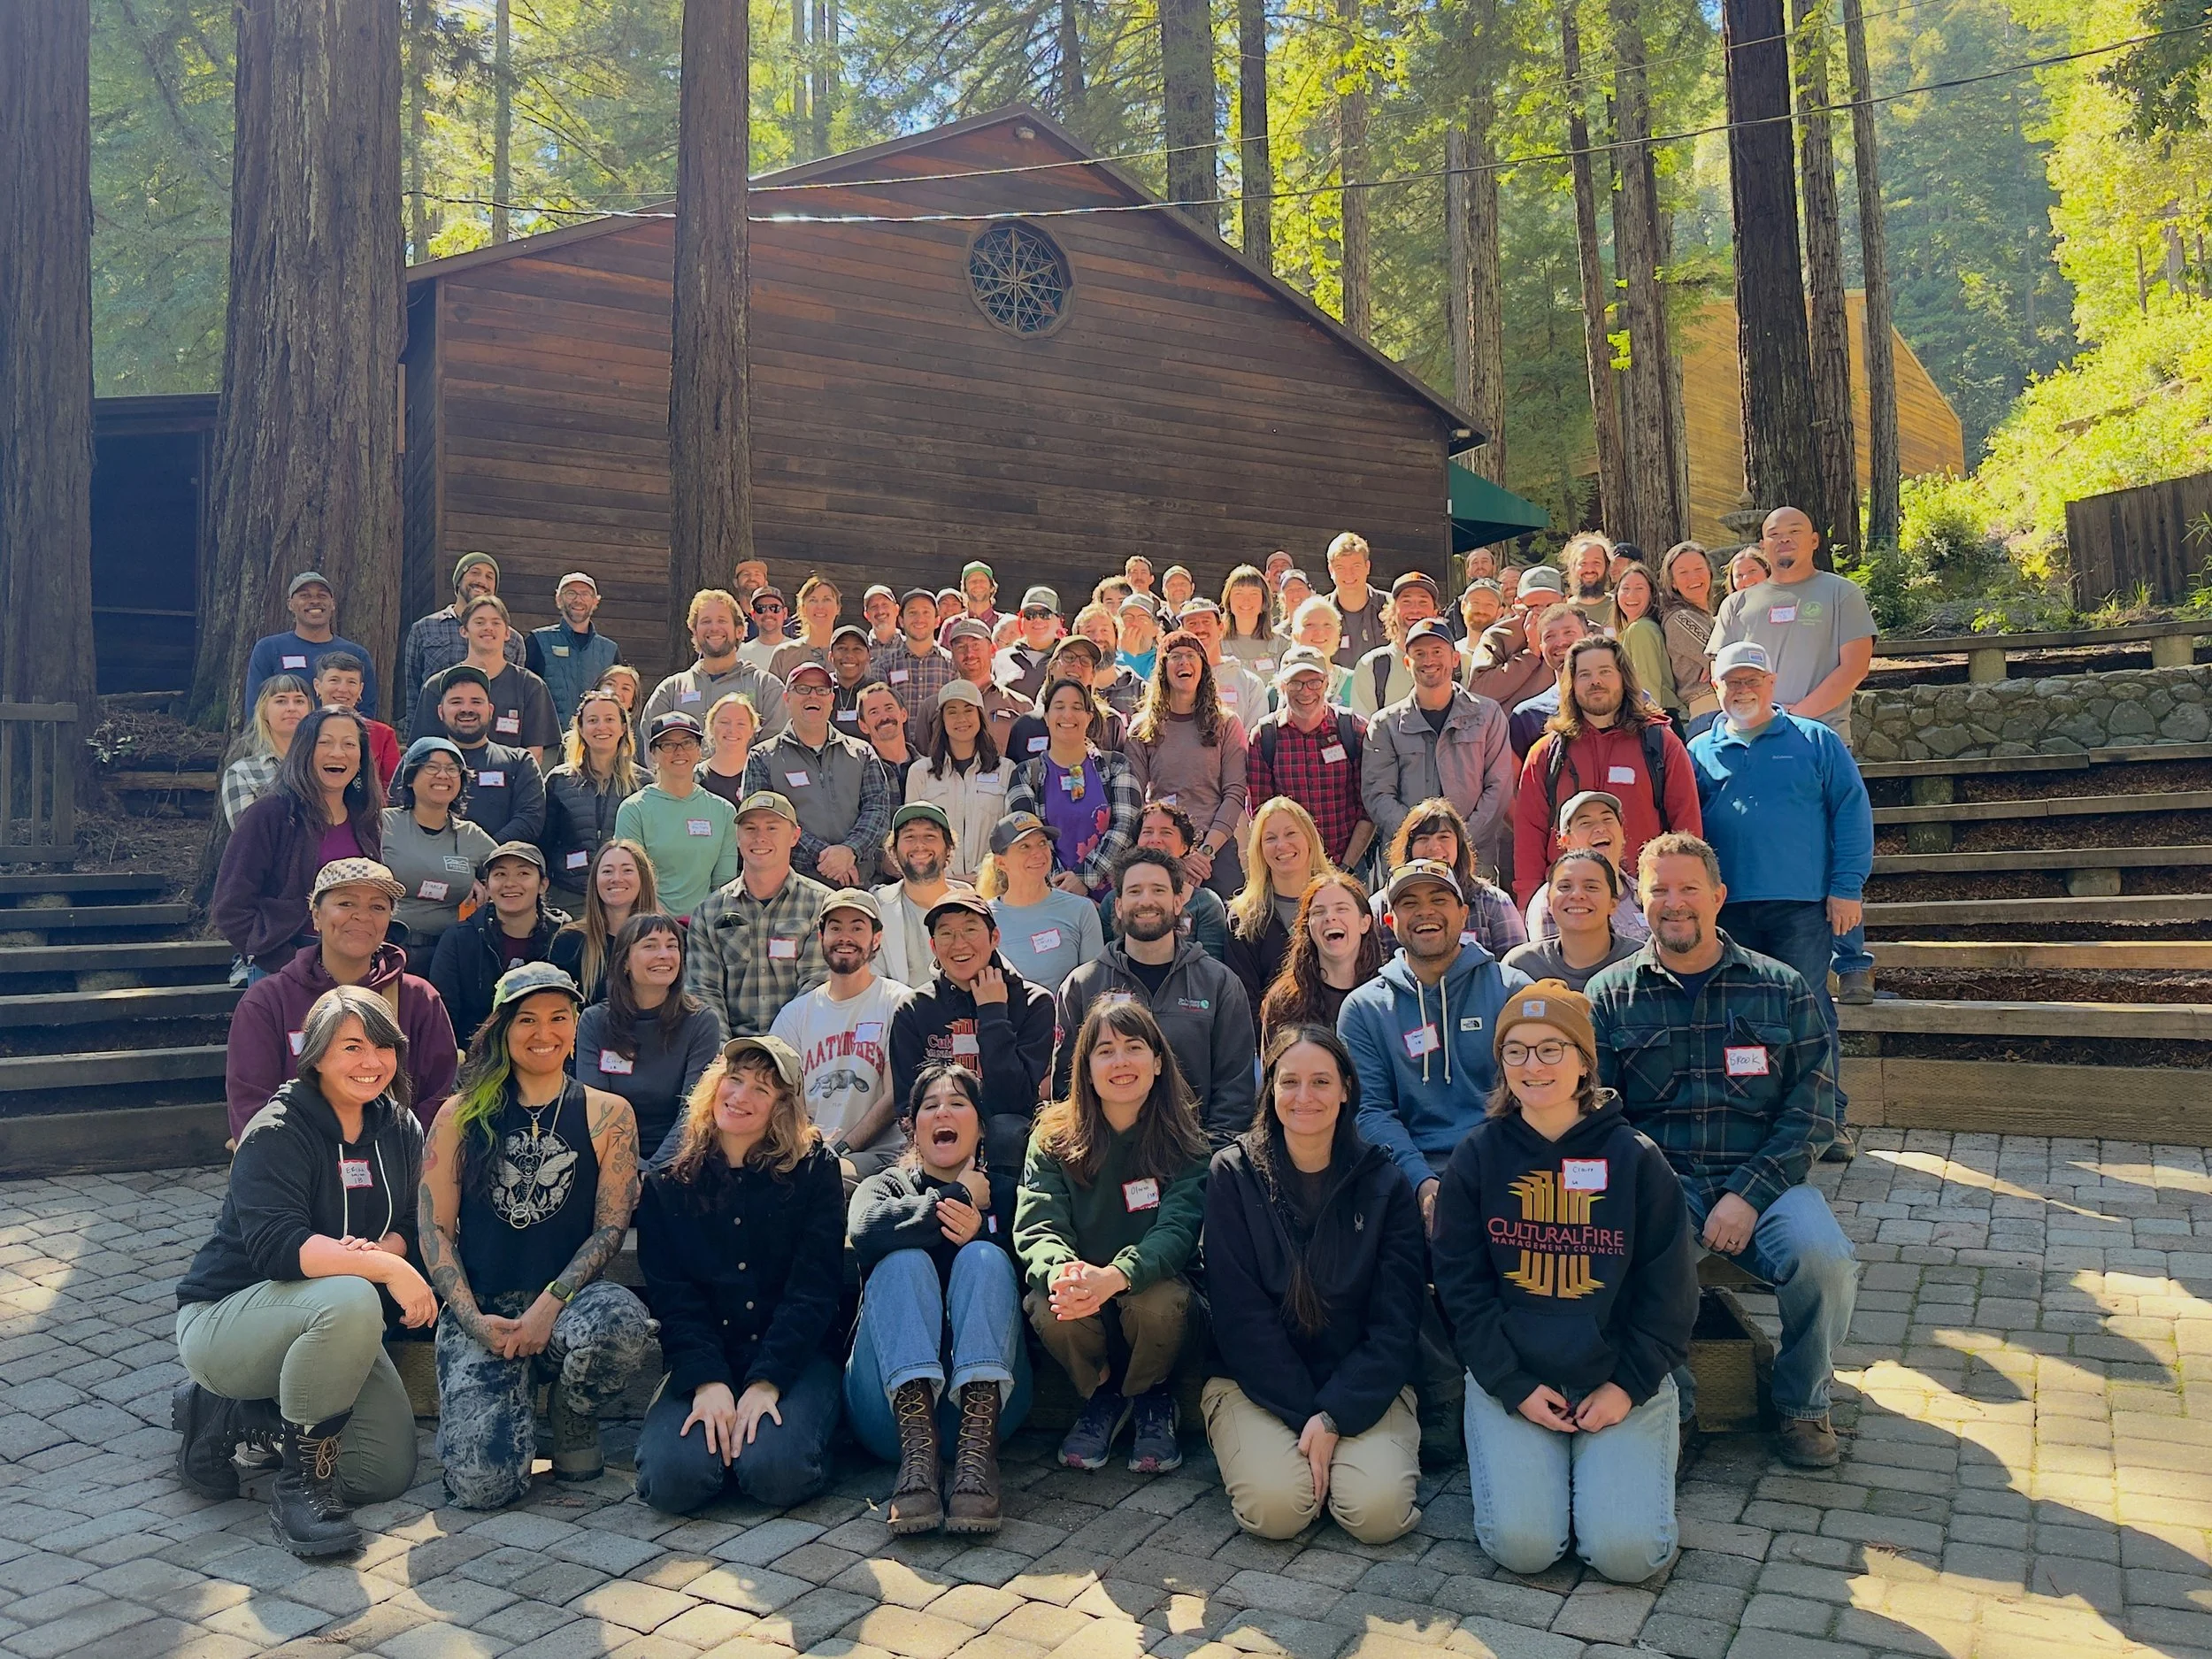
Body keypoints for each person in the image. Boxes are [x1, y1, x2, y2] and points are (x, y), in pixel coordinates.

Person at [1586, 833, 1861, 1468]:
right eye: (1659, 889)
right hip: (1661, 1182)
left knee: (1825, 1261)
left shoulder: (1782, 987)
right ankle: (1672, 1409)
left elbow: (1814, 1108)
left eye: (1689, 889)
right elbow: (1601, 1114)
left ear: (1719, 897)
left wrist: (1748, 1193)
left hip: (1767, 1179)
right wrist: (1652, 1185)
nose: (1674, 903)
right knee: (1628, 1258)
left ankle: (1801, 1404)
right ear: (1640, 899)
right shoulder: (1608, 995)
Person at [1431, 979, 1698, 1582]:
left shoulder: (1636, 1159)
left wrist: (1627, 1386)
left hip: (1617, 1378)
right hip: (1516, 1379)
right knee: (1524, 1547)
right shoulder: (1476, 1158)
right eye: (1516, 1050)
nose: (1534, 1065)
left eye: (1552, 1048)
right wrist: (1513, 1382)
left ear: (1584, 1061)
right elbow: (1461, 1290)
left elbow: (1671, 1293)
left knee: (1628, 1556)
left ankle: (1610, 1476)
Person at [173, 987, 434, 1555]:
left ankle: (244, 1419)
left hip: (332, 1323)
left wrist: (386, 1254)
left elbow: (411, 1224)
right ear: (316, 1054)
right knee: (351, 1295)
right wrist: (387, 1267)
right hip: (227, 1320)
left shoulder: (401, 1128)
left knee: (380, 1475)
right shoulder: (275, 1132)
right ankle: (300, 1490)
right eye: (352, 1047)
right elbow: (278, 1248)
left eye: (384, 1046)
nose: (372, 1062)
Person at [419, 963, 651, 1507]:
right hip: (485, 1310)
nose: (542, 1033)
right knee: (484, 1490)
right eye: (526, 1019)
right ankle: (495, 1410)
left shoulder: (608, 1114)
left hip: (567, 1307)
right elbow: (434, 1228)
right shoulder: (458, 1116)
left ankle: (570, 1416)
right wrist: (474, 1321)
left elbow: (611, 1227)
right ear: (502, 1029)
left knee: (622, 1322)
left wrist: (552, 1304)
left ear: (575, 1028)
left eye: (558, 1018)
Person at [1202, 1025, 1425, 1544]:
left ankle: (1338, 1458)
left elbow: (1396, 1322)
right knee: (1278, 1511)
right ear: (1271, 1089)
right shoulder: (1232, 1176)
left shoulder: (1384, 1183)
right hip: (1254, 1383)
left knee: (1376, 1515)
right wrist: (1311, 1416)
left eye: (1321, 1082)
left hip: (1362, 1376)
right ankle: (1304, 1460)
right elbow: (1240, 1321)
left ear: (1347, 1089)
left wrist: (1335, 1416)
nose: (1305, 1097)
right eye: (1290, 1081)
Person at [631, 1033, 847, 1512]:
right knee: (672, 1482)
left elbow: (813, 1291)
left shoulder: (815, 1172)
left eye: (762, 1089)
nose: (741, 1096)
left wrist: (766, 1381)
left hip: (796, 1356)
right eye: (735, 1080)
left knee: (775, 1472)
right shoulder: (668, 1185)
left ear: (783, 1107)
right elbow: (674, 1299)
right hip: (709, 1354)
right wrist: (709, 1384)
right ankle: (727, 1446)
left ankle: (798, 1436)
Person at [1017, 999, 1210, 1473]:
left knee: (1156, 1300)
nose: (1120, 1062)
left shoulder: (1187, 1143)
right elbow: (1039, 1224)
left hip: (1157, 1299)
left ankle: (1150, 1396)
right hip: (1087, 1301)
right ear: (1085, 1067)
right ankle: (1102, 1394)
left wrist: (1120, 1274)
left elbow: (1178, 1231)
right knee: (1050, 1302)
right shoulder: (1051, 1138)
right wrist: (1065, 1271)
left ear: (1158, 1061)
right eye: (1105, 1050)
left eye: (1134, 1047)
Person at [848, 1064, 1031, 1534]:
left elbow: (1032, 1280)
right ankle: (918, 1464)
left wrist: (978, 1239)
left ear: (982, 1126)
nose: (942, 1112)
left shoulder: (1008, 1196)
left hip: (988, 1419)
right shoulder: (886, 1187)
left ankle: (975, 1466)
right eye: (930, 1106)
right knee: (903, 1260)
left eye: (957, 1103)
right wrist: (954, 1198)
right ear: (911, 1125)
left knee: (986, 1260)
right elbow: (865, 1231)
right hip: (889, 1417)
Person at [1689, 641, 1874, 1105]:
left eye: (1753, 680)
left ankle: (1826, 1117)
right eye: (1733, 681)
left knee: (1806, 1011)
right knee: (1737, 1015)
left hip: (1802, 905)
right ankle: (1752, 1115)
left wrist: (1847, 888)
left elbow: (1851, 814)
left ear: (1772, 683)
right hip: (1725, 909)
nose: (1743, 689)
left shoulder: (1816, 740)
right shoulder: (1698, 750)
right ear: (1716, 686)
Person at [1708, 505, 1880, 1003]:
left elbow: (1854, 666)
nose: (1783, 541)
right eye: (1773, 535)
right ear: (1762, 544)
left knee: (1832, 847)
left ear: (1814, 541)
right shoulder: (1740, 604)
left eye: (1793, 533)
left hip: (1820, 735)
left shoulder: (1839, 593)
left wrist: (1795, 718)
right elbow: (1720, 668)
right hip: (1750, 738)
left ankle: (1852, 961)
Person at [1339, 860, 1531, 1225]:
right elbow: (1371, 1111)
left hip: (1508, 1174)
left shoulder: (1512, 991)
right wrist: (1421, 1183)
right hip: (1406, 1178)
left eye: (1439, 899)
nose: (1425, 911)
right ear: (1391, 921)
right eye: (1409, 903)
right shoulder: (1364, 1009)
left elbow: (1533, 1099)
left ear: (1463, 914)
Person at [226, 860, 458, 1140]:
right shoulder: (268, 1002)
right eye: (346, 904)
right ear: (316, 916)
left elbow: (438, 1095)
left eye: (377, 907)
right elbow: (251, 1103)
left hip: (397, 1168)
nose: (362, 916)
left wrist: (405, 1157)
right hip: (301, 1169)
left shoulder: (419, 999)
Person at [1052, 847, 1256, 1146]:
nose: (1146, 900)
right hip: (1105, 1159)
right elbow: (1067, 1092)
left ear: (1177, 902)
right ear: (1118, 906)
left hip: (1196, 1159)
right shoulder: (1082, 985)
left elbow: (1235, 1093)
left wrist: (1207, 1166)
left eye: (1158, 890)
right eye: (1135, 891)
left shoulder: (1219, 984)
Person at [1511, 636, 1700, 906]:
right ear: (1571, 685)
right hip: (1569, 901)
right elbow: (1530, 835)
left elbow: (1687, 827)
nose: (1595, 681)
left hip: (1644, 898)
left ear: (1623, 678)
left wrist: (1685, 892)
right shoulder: (1546, 754)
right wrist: (1527, 903)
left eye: (1605, 672)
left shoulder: (1660, 744)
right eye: (1584, 674)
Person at [888, 892, 1056, 1172]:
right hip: (938, 1143)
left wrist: (992, 1012)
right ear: (933, 945)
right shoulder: (913, 1009)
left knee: (1006, 1129)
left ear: (994, 938)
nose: (959, 943)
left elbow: (1015, 1101)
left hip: (1008, 1145)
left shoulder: (1034, 1003)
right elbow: (907, 1106)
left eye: (970, 929)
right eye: (946, 933)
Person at [213, 707, 384, 981]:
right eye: (325, 742)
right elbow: (230, 907)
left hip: (354, 964)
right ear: (304, 750)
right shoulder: (270, 814)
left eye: (349, 744)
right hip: (285, 967)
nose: (337, 753)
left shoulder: (364, 818)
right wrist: (281, 960)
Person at [770, 887, 915, 1183]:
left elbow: (895, 1096)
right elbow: (783, 1099)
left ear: (876, 939)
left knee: (826, 1178)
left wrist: (841, 1149)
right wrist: (806, 1150)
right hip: (808, 1153)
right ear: (821, 937)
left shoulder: (899, 1002)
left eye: (857, 928)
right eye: (835, 928)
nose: (845, 937)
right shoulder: (795, 1015)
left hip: (882, 1155)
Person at [1360, 618, 1515, 872]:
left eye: (1437, 652)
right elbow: (1378, 795)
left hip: (1474, 859)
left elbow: (1498, 788)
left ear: (1455, 659)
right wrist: (1419, 841)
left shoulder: (1487, 715)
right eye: (1419, 654)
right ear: (1407, 663)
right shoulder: (1385, 724)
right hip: (1409, 863)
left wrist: (1458, 842)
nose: (1429, 660)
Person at [576, 914, 724, 1161]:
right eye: (650, 945)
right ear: (624, 961)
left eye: (672, 946)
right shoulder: (594, 1022)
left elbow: (692, 1114)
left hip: (680, 1158)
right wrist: (624, 1172)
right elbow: (596, 1111)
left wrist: (651, 1172)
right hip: (607, 1155)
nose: (664, 955)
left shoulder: (701, 1022)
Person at [687, 790, 833, 1035]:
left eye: (772, 828)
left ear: (795, 836)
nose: (760, 838)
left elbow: (818, 985)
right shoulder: (709, 912)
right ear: (737, 837)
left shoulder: (822, 905)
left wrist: (780, 1053)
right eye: (750, 829)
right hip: (732, 1054)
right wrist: (726, 1056)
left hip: (801, 1045)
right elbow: (704, 992)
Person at [743, 661, 894, 887]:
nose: (812, 696)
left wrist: (850, 851)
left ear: (831, 700)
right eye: (802, 689)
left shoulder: (861, 752)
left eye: (821, 690)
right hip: (792, 888)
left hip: (859, 882)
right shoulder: (761, 757)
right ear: (787, 699)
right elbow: (763, 821)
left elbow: (877, 810)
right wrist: (826, 858)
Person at [1124, 629, 1251, 898]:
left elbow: (1235, 793)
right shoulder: (1142, 728)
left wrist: (1203, 853)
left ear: (1203, 668)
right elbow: (1134, 798)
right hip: (1161, 847)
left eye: (1191, 656)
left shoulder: (1226, 724)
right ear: (1163, 670)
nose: (1184, 662)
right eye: (1176, 656)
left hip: (1214, 845)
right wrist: (1170, 850)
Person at [1003, 675, 1142, 898]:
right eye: (1059, 707)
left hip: (1112, 904)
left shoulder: (1116, 765)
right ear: (1046, 717)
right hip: (1049, 899)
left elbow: (1126, 825)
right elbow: (1025, 837)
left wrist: (1084, 878)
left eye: (1077, 707)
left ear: (1089, 717)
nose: (1068, 714)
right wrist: (1064, 890)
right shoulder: (1025, 774)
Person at [426, 841, 569, 1046]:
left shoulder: (566, 938)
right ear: (487, 885)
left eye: (523, 874)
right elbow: (443, 1018)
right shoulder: (459, 939)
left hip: (547, 1051)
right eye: (500, 874)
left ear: (543, 885)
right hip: (477, 1059)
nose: (510, 883)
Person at [1246, 647, 1371, 872]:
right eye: (1295, 683)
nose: (1305, 692)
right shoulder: (1265, 736)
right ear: (1281, 687)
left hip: (1349, 864)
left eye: (1314, 682)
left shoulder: (1353, 729)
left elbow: (1367, 809)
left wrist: (1346, 867)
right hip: (1290, 868)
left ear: (1327, 684)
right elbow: (1261, 815)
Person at [409, 596, 561, 768]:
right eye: (479, 622)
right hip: (450, 787)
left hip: (510, 790)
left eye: (496, 623)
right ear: (464, 631)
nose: (488, 628)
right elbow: (422, 750)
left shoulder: (530, 686)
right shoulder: (438, 686)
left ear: (507, 633)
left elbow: (539, 754)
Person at [614, 711, 739, 919]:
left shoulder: (724, 811)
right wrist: (667, 927)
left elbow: (723, 883)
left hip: (705, 928)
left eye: (687, 743)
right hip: (648, 925)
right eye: (668, 745)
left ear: (699, 751)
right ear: (653, 753)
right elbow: (631, 879)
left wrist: (701, 928)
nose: (679, 751)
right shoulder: (634, 810)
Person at [382, 737, 499, 958]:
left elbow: (511, 869)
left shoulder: (470, 835)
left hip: (448, 952)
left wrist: (487, 883)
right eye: (432, 767)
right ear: (410, 778)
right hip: (387, 947)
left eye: (452, 769)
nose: (443, 775)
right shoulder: (384, 824)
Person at [1377, 800, 1526, 959]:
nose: (1434, 847)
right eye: (1423, 838)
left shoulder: (1494, 902)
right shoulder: (1380, 906)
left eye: (1443, 837)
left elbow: (1516, 964)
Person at [1225, 797, 1333, 1015]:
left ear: (1310, 838)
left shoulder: (1340, 903)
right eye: (1270, 838)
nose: (1282, 845)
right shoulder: (1243, 918)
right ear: (1259, 849)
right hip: (1274, 1041)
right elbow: (1245, 1001)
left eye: (1291, 833)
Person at [541, 687, 643, 912]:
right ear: (581, 728)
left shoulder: (644, 783)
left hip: (626, 896)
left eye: (609, 719)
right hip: (569, 894)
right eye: (593, 720)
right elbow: (545, 842)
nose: (601, 727)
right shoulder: (559, 781)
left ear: (623, 727)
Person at [902, 682, 1013, 886]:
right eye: (952, 712)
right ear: (941, 720)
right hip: (936, 887)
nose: (961, 719)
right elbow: (912, 837)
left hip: (991, 888)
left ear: (980, 716)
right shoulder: (919, 773)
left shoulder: (1006, 770)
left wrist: (981, 876)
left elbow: (1009, 837)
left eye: (968, 710)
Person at [1258, 871, 1384, 1048]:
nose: (1330, 917)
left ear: (1365, 923)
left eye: (1341, 909)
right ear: (1308, 927)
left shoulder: (1388, 997)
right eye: (1318, 912)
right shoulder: (1284, 1002)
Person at [982, 810, 1103, 993]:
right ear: (1001, 863)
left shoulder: (1081, 910)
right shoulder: (984, 918)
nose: (1038, 853)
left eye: (1042, 844)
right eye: (1025, 847)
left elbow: (1094, 987)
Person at [643, 589, 789, 739]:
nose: (714, 628)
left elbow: (775, 753)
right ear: (694, 630)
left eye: (722, 620)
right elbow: (652, 748)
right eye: (706, 621)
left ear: (739, 631)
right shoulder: (670, 691)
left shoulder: (767, 688)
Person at [426, 666, 547, 845]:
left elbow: (530, 819)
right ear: (440, 711)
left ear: (490, 710)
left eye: (476, 702)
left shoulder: (520, 762)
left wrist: (485, 854)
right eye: (456, 702)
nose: (466, 709)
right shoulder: (419, 762)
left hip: (497, 867)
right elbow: (402, 811)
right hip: (431, 867)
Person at [1101, 802, 1232, 961]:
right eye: (1147, 832)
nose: (1155, 840)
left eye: (1166, 832)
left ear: (1185, 846)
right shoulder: (1112, 901)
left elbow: (1212, 972)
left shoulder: (1206, 904)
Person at [247, 571, 383, 721]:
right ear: (290, 604)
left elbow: (366, 712)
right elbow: (256, 708)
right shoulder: (268, 649)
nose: (314, 601)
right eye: (305, 596)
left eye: (322, 596)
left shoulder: (356, 654)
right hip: (285, 741)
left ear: (333, 604)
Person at [399, 552, 524, 710]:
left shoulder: (513, 640)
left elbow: (516, 691)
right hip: (439, 728)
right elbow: (413, 693)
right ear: (458, 581)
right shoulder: (424, 629)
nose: (481, 581)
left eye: (489, 577)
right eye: (475, 572)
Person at [1503, 850, 1640, 993]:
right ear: (1549, 902)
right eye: (1565, 887)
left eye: (1591, 887)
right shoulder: (1521, 966)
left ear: (1613, 904)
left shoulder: (1641, 963)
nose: (1577, 895)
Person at [1525, 790, 1650, 944]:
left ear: (1622, 832)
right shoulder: (1553, 899)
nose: (1600, 828)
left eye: (1607, 819)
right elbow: (1551, 964)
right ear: (1566, 841)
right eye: (1586, 823)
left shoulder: (1644, 891)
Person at [549, 838, 658, 1004]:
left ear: (643, 878)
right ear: (595, 881)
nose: (616, 878)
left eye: (627, 870)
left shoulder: (669, 942)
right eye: (607, 871)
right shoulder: (570, 942)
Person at [872, 800, 959, 987]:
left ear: (948, 847)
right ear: (893, 850)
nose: (920, 845)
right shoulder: (876, 908)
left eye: (930, 836)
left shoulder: (977, 905)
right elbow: (873, 983)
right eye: (909, 837)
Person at [526, 572, 620, 735]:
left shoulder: (610, 650)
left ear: (596, 601)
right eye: (571, 593)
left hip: (596, 740)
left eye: (585, 594)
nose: (578, 599)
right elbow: (525, 694)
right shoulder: (538, 641)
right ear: (558, 599)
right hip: (550, 743)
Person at [220, 673, 312, 831]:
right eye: (281, 701)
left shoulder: (327, 763)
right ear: (264, 711)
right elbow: (248, 837)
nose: (291, 708)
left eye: (299, 701)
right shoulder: (242, 773)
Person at [1467, 571, 1568, 713]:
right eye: (1533, 607)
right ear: (1517, 604)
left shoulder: (1584, 631)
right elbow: (1479, 694)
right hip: (1514, 728)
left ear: (1565, 602)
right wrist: (1531, 652)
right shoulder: (1498, 635)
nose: (1543, 615)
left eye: (1551, 607)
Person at [1506, 602, 1596, 757]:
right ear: (1541, 648)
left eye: (1569, 632)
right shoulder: (1528, 716)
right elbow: (1514, 779)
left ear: (1590, 639)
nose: (1560, 642)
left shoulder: (1629, 702)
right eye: (1550, 636)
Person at [1348, 572, 1443, 717]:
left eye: (1423, 602)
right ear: (1393, 610)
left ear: (1435, 612)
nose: (1415, 609)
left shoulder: (1455, 662)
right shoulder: (1371, 666)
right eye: (1406, 602)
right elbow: (1363, 732)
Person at [870, 588, 957, 744]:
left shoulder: (953, 665)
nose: (919, 619)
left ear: (937, 621)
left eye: (926, 612)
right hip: (898, 755)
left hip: (942, 755)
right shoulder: (883, 666)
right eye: (912, 613)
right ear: (901, 621)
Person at [936, 618, 1033, 755]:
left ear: (992, 649)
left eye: (976, 646)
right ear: (952, 654)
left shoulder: (1020, 705)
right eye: (961, 647)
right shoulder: (934, 706)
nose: (969, 654)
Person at [1172, 598, 1270, 728]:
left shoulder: (1250, 684)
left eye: (1206, 621)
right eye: (1192, 623)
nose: (1200, 628)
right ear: (1182, 632)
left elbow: (1254, 738)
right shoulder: (1174, 682)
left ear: (1221, 627)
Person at [313, 652, 401, 792]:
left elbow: (393, 787)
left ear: (360, 689)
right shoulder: (303, 729)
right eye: (334, 680)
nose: (342, 689)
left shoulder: (382, 734)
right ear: (317, 686)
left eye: (351, 682)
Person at [1660, 541, 1721, 733]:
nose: (1693, 577)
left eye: (1698, 568)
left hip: (1731, 712)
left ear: (1710, 572)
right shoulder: (1679, 619)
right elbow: (1728, 660)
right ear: (1672, 582)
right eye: (1683, 573)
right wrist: (1716, 660)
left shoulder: (1710, 618)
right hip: (1710, 716)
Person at [1613, 565, 1676, 719]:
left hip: (1655, 718)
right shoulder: (1632, 631)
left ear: (1652, 595)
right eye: (1625, 588)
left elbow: (1648, 688)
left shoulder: (1640, 630)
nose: (1631, 595)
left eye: (1639, 588)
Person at [1323, 532, 1386, 664]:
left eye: (1356, 566)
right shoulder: (1320, 612)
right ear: (1331, 571)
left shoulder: (1391, 607)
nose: (1349, 574)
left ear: (1367, 567)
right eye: (1340, 568)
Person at [993, 586, 1063, 703]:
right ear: (1021, 620)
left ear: (1059, 621)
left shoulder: (1070, 659)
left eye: (1045, 614)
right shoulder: (999, 658)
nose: (1037, 620)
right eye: (1030, 614)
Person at [769, 574, 844, 680]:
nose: (820, 606)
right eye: (813, 600)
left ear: (838, 608)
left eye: (826, 599)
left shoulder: (849, 654)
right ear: (803, 608)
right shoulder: (784, 653)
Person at [697, 692, 759, 808]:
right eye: (724, 722)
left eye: (741, 724)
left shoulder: (763, 775)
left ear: (752, 730)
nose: (732, 730)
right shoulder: (695, 777)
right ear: (711, 726)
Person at [1219, 565, 1280, 675]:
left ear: (1264, 600)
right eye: (1239, 594)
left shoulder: (1283, 645)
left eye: (1254, 594)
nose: (1246, 600)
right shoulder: (1215, 647)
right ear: (1228, 600)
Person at [827, 625, 876, 734]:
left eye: (857, 649)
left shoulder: (878, 694)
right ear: (830, 656)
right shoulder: (821, 690)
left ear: (868, 657)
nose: (849, 655)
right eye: (842, 648)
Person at [738, 588, 794, 673]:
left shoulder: (797, 651)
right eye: (761, 608)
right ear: (753, 614)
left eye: (775, 608)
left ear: (785, 613)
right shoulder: (741, 654)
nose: (768, 613)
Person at [1118, 591, 1161, 683]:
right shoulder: (1109, 660)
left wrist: (1128, 657)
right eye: (1128, 618)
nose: (1134, 623)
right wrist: (1127, 655)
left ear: (1155, 630)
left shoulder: (1161, 662)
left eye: (1142, 619)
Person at [862, 584, 902, 652]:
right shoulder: (861, 650)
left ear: (896, 610)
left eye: (885, 605)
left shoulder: (912, 648)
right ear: (867, 615)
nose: (880, 611)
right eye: (874, 606)